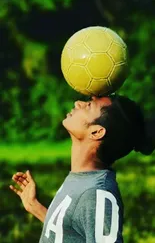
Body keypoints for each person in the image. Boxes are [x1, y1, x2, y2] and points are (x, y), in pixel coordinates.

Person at [9, 94, 155, 243]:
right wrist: (34, 206)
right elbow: (70, 233)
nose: (78, 103)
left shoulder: (98, 194)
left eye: (89, 106)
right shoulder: (82, 178)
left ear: (96, 132)